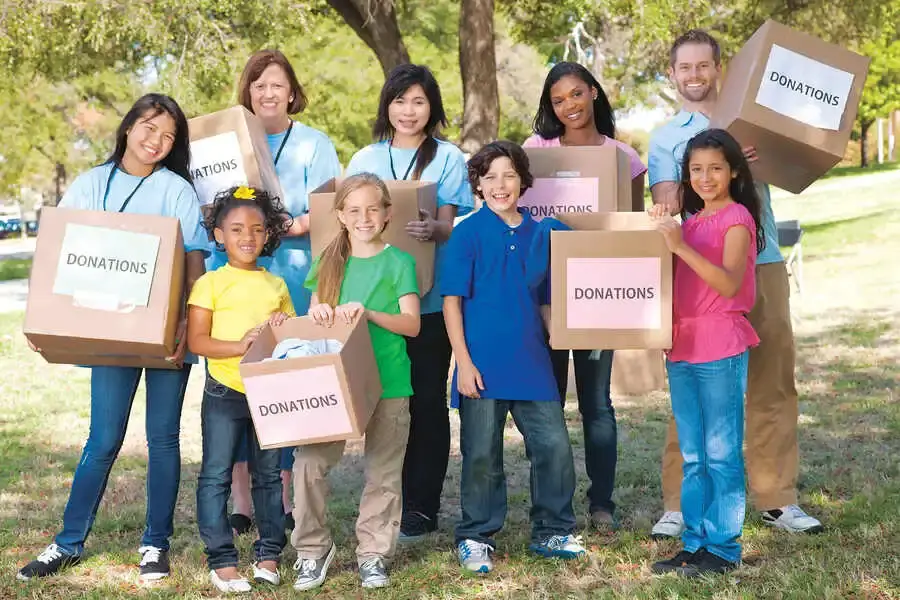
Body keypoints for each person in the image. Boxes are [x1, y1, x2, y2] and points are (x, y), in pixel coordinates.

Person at [17, 94, 208, 582]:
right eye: (149, 127)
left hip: (167, 332)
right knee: (102, 439)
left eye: (168, 136)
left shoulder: (176, 190)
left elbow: (194, 262)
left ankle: (155, 544)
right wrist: (44, 320)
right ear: (128, 127)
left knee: (163, 439)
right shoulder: (90, 183)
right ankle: (67, 542)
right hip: (111, 332)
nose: (156, 141)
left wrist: (187, 325)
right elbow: (60, 250)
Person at [647, 29, 823, 539]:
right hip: (696, 275)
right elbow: (668, 203)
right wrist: (723, 167)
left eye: (704, 66)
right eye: (685, 68)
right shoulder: (664, 137)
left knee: (773, 378)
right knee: (695, 386)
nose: (695, 76)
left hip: (761, 259)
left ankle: (777, 498)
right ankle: (680, 502)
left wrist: (758, 160)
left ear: (717, 69)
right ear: (673, 74)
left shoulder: (755, 118)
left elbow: (800, 165)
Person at [443, 141, 586, 575]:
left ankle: (553, 529)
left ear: (523, 180)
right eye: (490, 177)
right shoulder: (466, 232)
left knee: (554, 446)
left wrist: (562, 331)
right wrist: (463, 364)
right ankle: (475, 535)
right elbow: (452, 303)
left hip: (532, 363)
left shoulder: (542, 233)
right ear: (478, 185)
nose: (500, 185)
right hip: (481, 366)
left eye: (508, 175)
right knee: (481, 454)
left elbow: (545, 300)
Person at [345, 63, 474, 542]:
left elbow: (449, 226)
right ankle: (385, 499)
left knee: (425, 403)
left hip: (428, 301)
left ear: (432, 108)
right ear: (387, 105)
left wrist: (431, 229)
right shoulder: (365, 157)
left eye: (418, 101)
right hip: (371, 305)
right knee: (382, 402)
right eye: (400, 100)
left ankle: (421, 507)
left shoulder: (448, 158)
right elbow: (346, 221)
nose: (408, 110)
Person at [222, 49, 342, 536]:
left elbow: (331, 212)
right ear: (247, 93)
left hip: (293, 278)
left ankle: (286, 497)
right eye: (258, 84)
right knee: (237, 385)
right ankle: (241, 499)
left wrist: (290, 224)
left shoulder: (314, 144)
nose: (268, 92)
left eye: (277, 84)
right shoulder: (227, 144)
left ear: (292, 92)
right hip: (234, 279)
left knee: (286, 386)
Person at [523, 61, 647, 530]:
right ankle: (552, 504)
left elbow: (634, 231)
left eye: (577, 94)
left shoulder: (624, 157)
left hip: (599, 290)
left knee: (596, 403)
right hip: (547, 295)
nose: (569, 106)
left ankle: (602, 504)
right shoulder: (536, 151)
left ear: (594, 93)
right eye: (558, 100)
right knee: (546, 402)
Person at [291, 173, 420, 591]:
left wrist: (369, 313)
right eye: (354, 210)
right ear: (342, 216)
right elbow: (314, 320)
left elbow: (412, 324)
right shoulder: (327, 262)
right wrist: (321, 316)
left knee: (383, 471)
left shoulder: (399, 262)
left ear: (386, 213)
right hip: (334, 382)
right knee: (309, 464)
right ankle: (312, 549)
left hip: (389, 380)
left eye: (372, 208)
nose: (364, 217)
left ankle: (373, 553)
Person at [649, 128, 763, 576]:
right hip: (681, 346)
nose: (706, 177)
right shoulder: (690, 223)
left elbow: (728, 283)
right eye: (696, 169)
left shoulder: (737, 219)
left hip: (720, 345)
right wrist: (660, 230)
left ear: (733, 171)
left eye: (715, 167)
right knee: (694, 454)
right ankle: (695, 542)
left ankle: (723, 547)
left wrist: (678, 245)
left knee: (721, 453)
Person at [187, 186, 295, 593]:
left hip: (269, 392)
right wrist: (239, 346)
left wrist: (284, 335)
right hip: (224, 390)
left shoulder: (277, 284)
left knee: (269, 476)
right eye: (236, 229)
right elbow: (198, 342)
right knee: (216, 475)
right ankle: (222, 559)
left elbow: (290, 338)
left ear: (268, 234)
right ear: (218, 235)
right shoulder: (211, 284)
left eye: (256, 228)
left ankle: (269, 554)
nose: (247, 237)